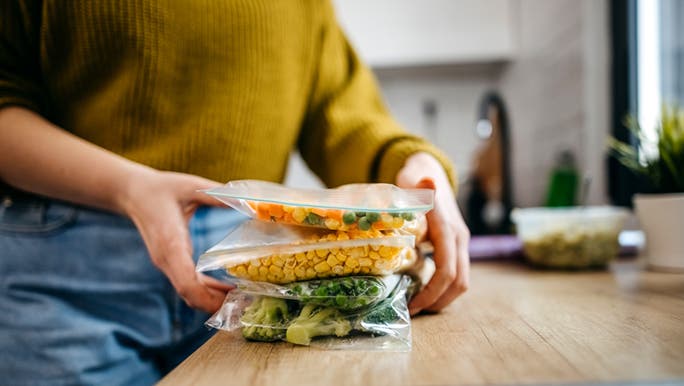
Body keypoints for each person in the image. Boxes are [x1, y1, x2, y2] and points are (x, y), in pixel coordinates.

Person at [0, 1, 470, 384]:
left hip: (255, 281)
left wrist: (416, 166)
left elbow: (341, 116)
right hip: (64, 279)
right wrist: (128, 187)